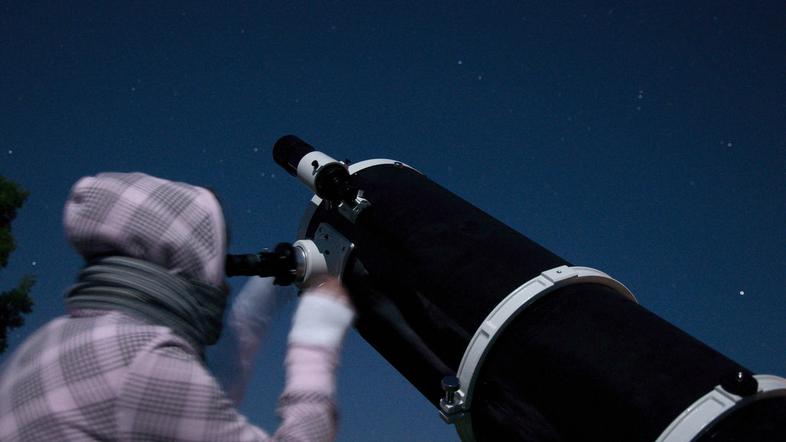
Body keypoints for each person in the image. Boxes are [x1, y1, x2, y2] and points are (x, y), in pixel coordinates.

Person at [0, 172, 355, 441]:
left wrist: (265, 297)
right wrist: (317, 331)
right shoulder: (142, 361)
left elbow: (221, 374)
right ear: (188, 262)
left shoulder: (43, 344)